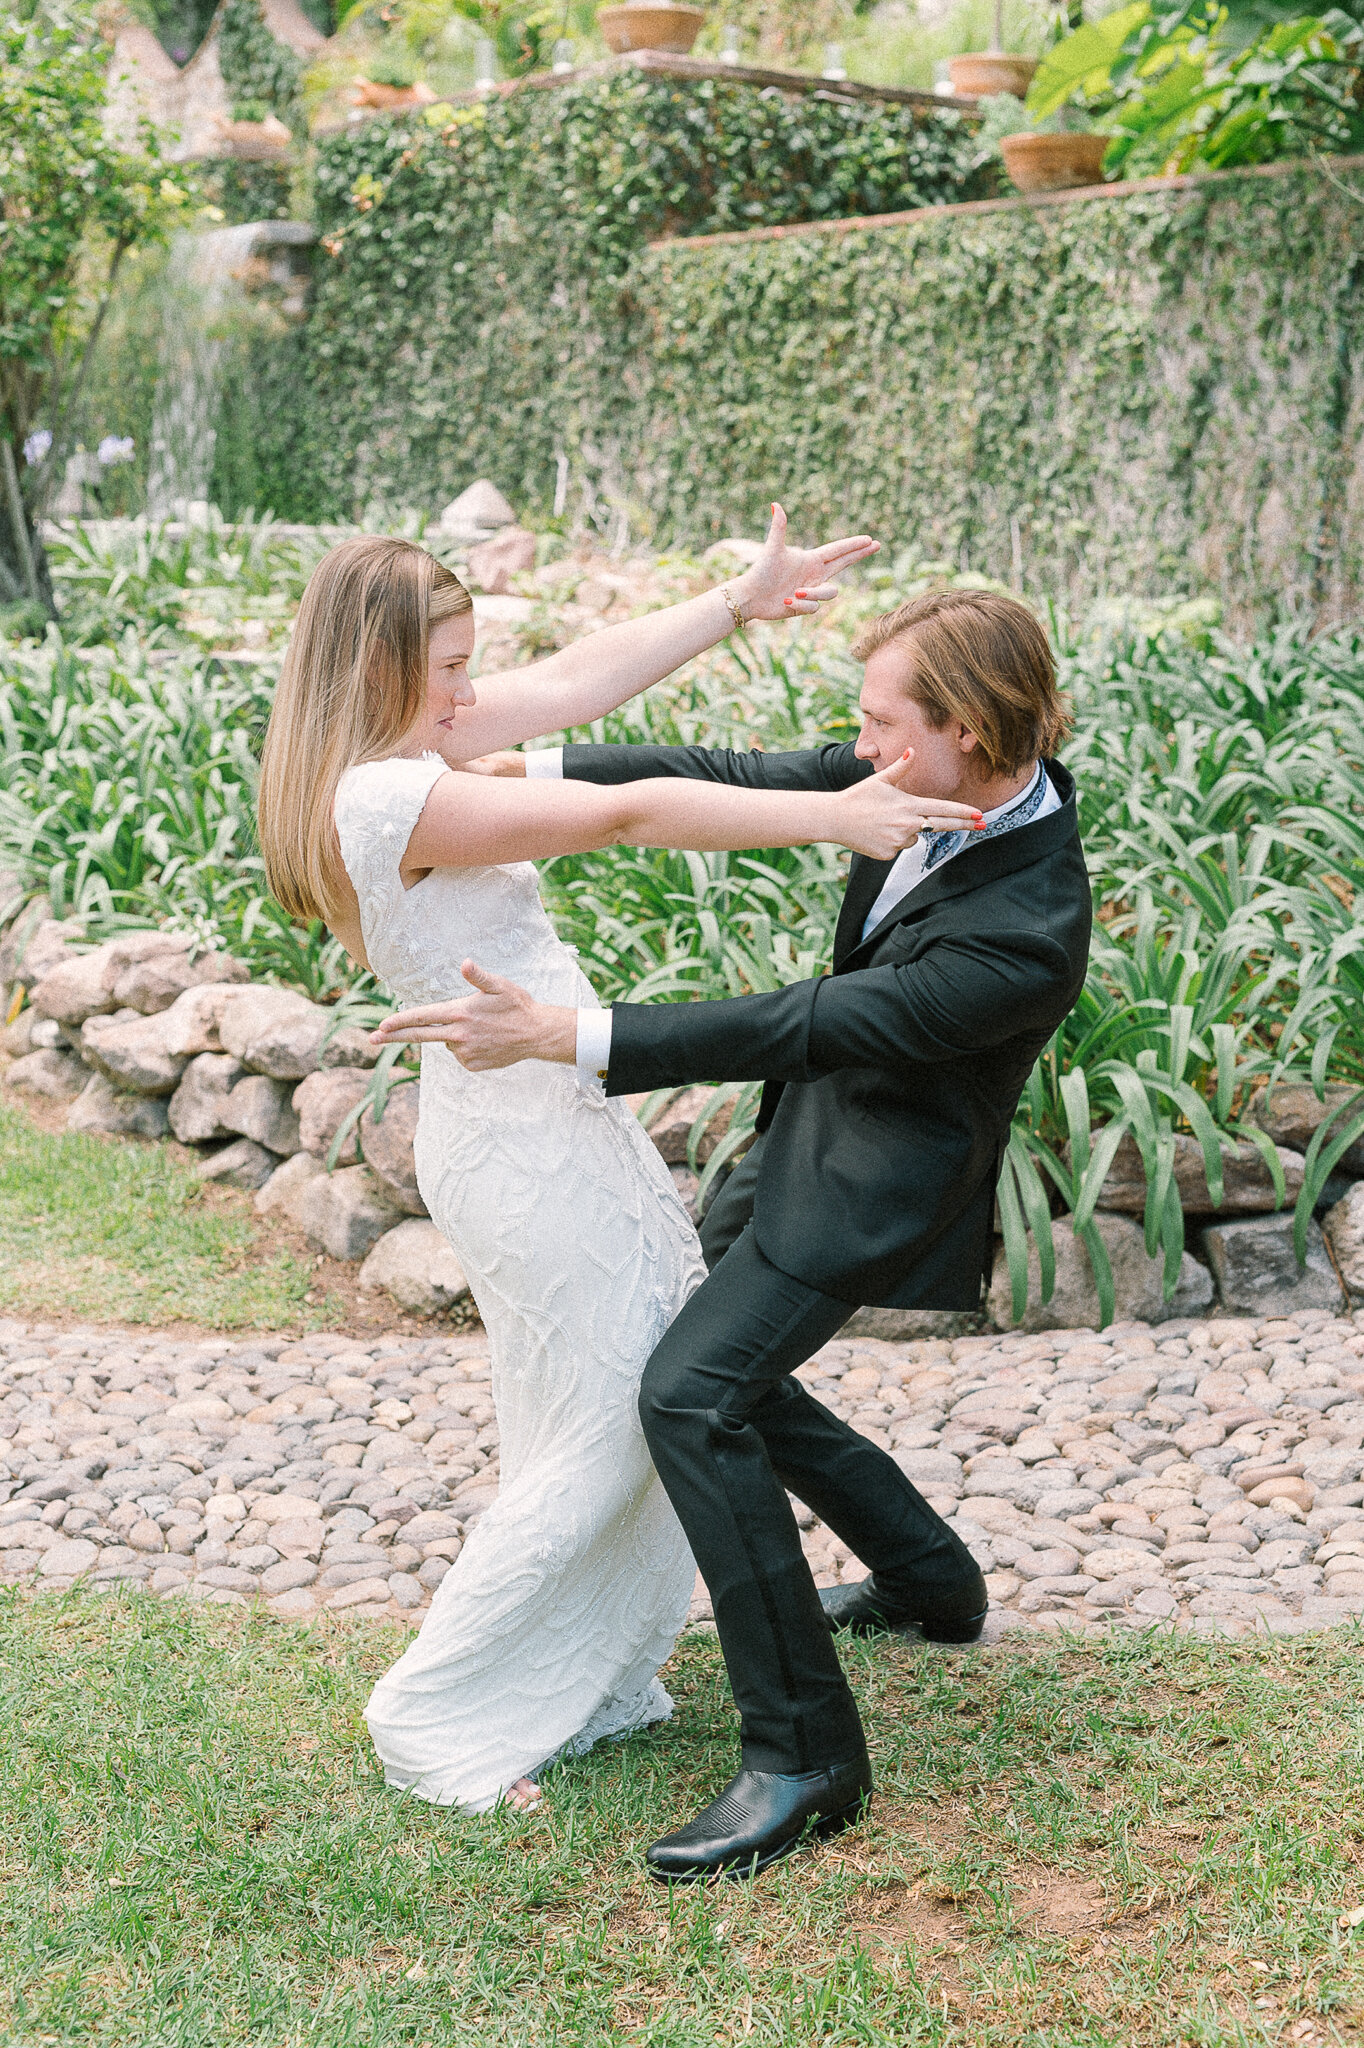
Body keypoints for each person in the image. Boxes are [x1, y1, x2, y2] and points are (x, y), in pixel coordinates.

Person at [255, 518, 986, 1817]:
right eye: (450, 670)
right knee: (604, 1430)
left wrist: (733, 602)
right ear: (376, 671)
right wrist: (836, 815)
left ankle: (580, 1679)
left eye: (474, 664)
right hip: (523, 1149)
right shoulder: (392, 789)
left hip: (544, 1126)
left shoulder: (410, 744)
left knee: (594, 1412)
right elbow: (626, 812)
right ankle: (432, 1712)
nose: (475, 692)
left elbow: (581, 679)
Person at [370, 587, 1093, 1875]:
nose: (858, 747)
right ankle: (932, 1583)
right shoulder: (924, 774)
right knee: (724, 1370)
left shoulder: (1025, 937)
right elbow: (726, 772)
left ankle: (805, 1753)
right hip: (801, 1141)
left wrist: (570, 1037)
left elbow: (803, 1020)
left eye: (882, 724)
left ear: (971, 730)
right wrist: (507, 773)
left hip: (876, 1184)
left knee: (691, 1394)